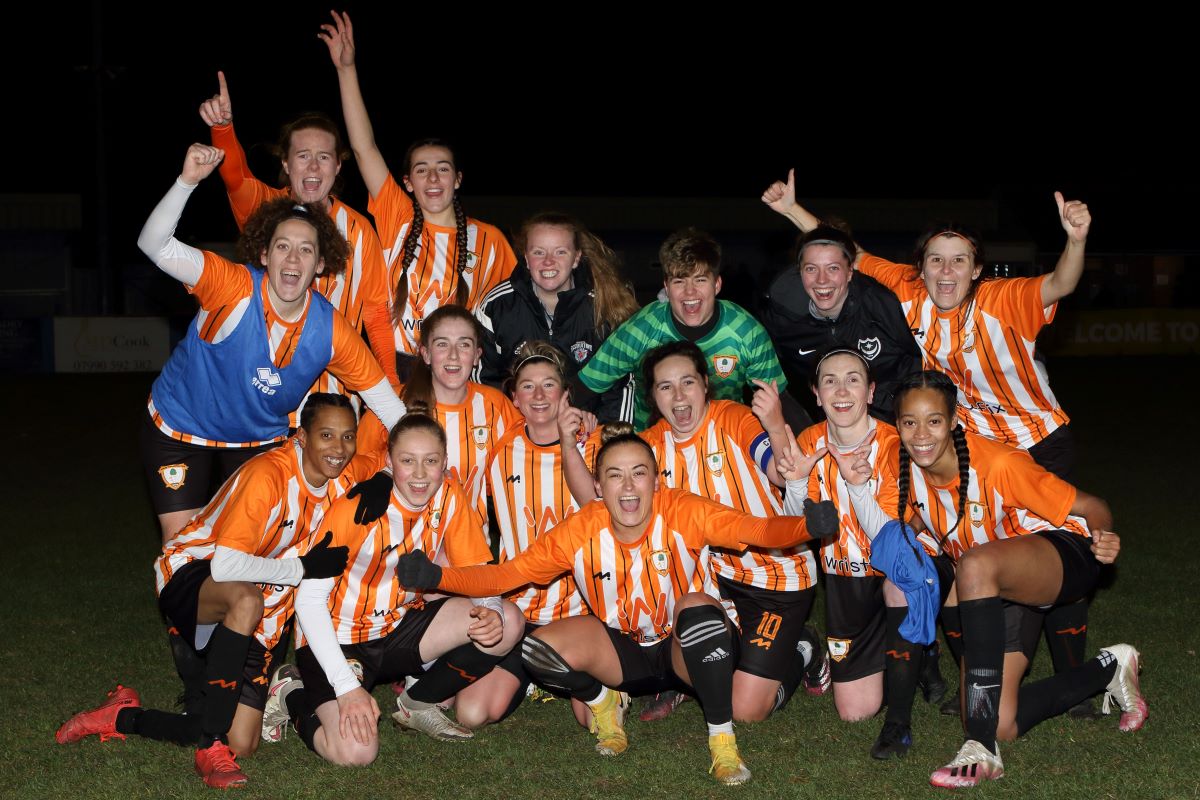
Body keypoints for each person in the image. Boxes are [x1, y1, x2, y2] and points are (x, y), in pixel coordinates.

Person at [766, 176, 1100, 715]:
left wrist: (1077, 239)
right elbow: (854, 257)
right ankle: (982, 668)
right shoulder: (909, 293)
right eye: (936, 261)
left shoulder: (1002, 300)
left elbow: (1060, 283)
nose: (946, 271)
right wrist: (791, 209)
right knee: (962, 547)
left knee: (1052, 551)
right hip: (973, 452)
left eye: (959, 260)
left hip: (1039, 444)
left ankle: (1074, 675)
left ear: (977, 269)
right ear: (920, 269)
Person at [394, 429, 841, 785]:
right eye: (614, 475)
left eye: (639, 473)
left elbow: (758, 529)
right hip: (622, 653)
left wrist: (805, 525)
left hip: (681, 648)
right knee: (536, 649)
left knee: (698, 607)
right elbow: (505, 575)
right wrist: (439, 578)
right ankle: (604, 702)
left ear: (656, 478)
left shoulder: (683, 510)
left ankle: (722, 741)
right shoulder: (581, 529)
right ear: (597, 485)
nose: (628, 487)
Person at [57, 394, 381, 789]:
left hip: (265, 606)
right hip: (193, 571)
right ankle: (209, 748)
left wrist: (383, 478)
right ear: (300, 437)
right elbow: (227, 565)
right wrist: (301, 568)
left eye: (348, 437)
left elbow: (394, 457)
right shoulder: (269, 475)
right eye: (326, 435)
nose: (339, 448)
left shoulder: (345, 474)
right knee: (246, 599)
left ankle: (122, 716)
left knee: (241, 742)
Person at [137, 144, 405, 545]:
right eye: (283, 246)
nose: (293, 258)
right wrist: (186, 181)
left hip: (257, 441)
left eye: (306, 249)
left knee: (249, 545)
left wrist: (425, 459)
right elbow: (153, 244)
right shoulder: (231, 285)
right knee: (182, 547)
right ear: (264, 253)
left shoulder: (330, 329)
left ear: (320, 265)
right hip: (179, 427)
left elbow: (388, 406)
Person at [889, 371, 1144, 787]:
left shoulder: (999, 462)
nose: (921, 434)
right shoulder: (906, 468)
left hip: (1063, 552)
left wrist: (1104, 535)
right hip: (996, 580)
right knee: (998, 718)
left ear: (954, 420)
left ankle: (982, 749)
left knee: (971, 566)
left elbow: (1091, 504)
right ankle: (1110, 667)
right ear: (897, 425)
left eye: (934, 420)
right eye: (909, 422)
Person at [263, 411, 524, 766]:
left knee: (506, 621)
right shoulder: (359, 508)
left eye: (430, 461)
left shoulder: (449, 495)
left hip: (398, 628)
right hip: (339, 639)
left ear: (444, 462)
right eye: (407, 461)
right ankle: (291, 690)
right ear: (388, 461)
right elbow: (308, 601)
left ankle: (418, 702)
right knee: (356, 752)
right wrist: (346, 686)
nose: (419, 474)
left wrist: (491, 608)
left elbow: (478, 572)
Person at [637, 340, 826, 723]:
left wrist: (774, 422)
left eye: (687, 382)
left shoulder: (732, 419)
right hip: (713, 584)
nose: (678, 396)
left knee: (745, 710)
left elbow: (778, 472)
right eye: (665, 386)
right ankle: (680, 675)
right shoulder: (650, 445)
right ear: (653, 397)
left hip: (777, 580)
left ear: (706, 384)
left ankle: (804, 646)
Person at [320, 10, 516, 374]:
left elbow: (514, 311)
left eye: (443, 169)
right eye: (421, 171)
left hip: (460, 374)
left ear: (458, 179)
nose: (433, 179)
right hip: (394, 368)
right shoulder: (397, 215)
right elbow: (364, 149)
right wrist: (346, 70)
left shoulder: (488, 240)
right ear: (407, 183)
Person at [778, 349, 941, 757]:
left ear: (870, 391)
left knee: (898, 588)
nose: (841, 389)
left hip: (894, 568)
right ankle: (913, 654)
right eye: (829, 380)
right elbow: (792, 532)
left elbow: (888, 539)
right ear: (816, 394)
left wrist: (856, 485)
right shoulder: (809, 443)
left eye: (853, 379)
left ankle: (901, 714)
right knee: (853, 712)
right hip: (843, 581)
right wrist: (796, 485)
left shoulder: (893, 443)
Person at [199, 72, 397, 392]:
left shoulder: (360, 231)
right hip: (264, 388)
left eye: (324, 157)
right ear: (287, 164)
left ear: (337, 166)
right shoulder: (265, 209)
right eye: (303, 156)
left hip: (335, 399)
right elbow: (235, 176)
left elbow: (375, 316)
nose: (314, 168)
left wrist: (389, 382)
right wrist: (222, 129)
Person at [575, 228, 799, 430]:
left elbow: (778, 399)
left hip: (724, 443)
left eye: (700, 280)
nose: (690, 293)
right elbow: (586, 386)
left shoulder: (746, 331)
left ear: (717, 284)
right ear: (666, 286)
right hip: (655, 447)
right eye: (679, 281)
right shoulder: (641, 329)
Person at [759, 176, 920, 421]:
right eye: (812, 269)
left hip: (902, 423)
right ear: (800, 270)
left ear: (850, 271)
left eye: (833, 268)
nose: (822, 280)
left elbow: (932, 361)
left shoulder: (884, 301)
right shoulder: (782, 317)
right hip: (837, 430)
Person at [475, 212, 640, 423]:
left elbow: (622, 383)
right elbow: (485, 380)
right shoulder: (497, 305)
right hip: (520, 435)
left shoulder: (605, 306)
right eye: (538, 252)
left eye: (560, 252)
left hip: (587, 435)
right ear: (526, 257)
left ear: (576, 258)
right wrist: (515, 429)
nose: (548, 262)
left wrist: (609, 437)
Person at [401, 305, 523, 538]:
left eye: (464, 344)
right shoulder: (395, 405)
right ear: (426, 354)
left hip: (471, 554)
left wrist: (580, 429)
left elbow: (530, 458)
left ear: (477, 356)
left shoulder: (495, 406)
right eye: (442, 344)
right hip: (403, 550)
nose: (454, 355)